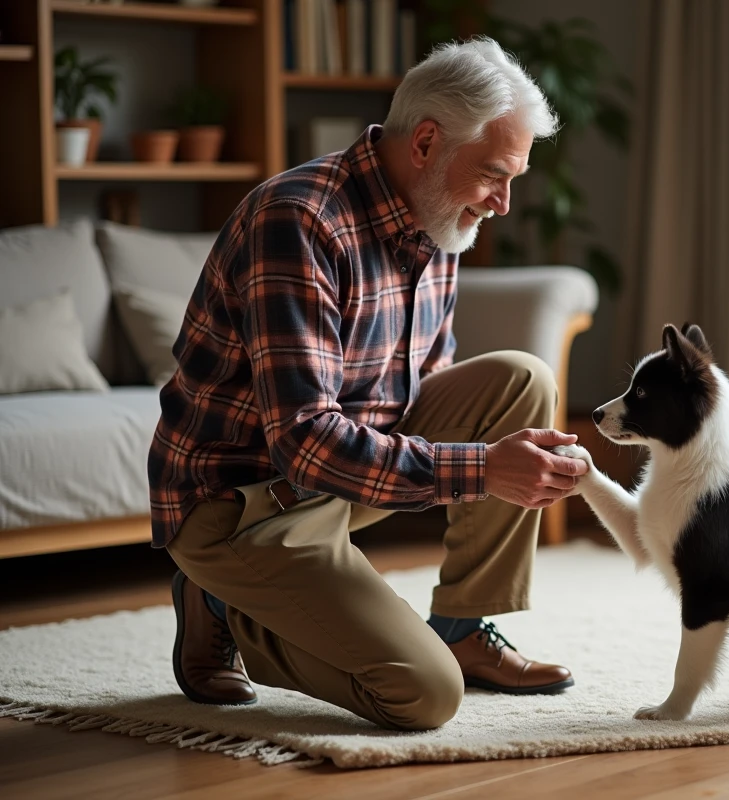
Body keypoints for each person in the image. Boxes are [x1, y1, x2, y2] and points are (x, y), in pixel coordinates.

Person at [148, 37, 589, 731]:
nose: (504, 204)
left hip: (340, 482)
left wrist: (492, 457)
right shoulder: (299, 220)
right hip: (247, 504)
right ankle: (222, 602)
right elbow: (304, 443)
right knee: (423, 695)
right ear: (426, 144)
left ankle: (463, 628)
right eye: (493, 175)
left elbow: (430, 380)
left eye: (514, 179)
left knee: (520, 380)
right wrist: (483, 469)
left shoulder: (440, 212)